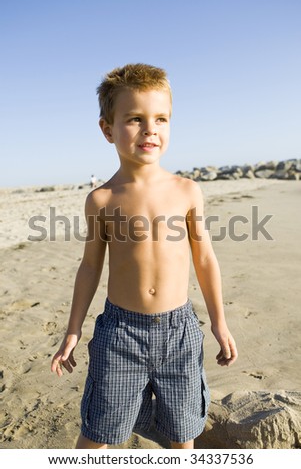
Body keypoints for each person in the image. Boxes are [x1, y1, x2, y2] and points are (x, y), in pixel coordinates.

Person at [51, 63, 238, 450]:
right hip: (121, 332)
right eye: (135, 119)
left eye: (161, 119)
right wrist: (73, 330)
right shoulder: (101, 199)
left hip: (180, 331)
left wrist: (219, 323)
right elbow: (90, 266)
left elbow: (204, 259)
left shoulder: (187, 191)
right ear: (107, 129)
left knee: (181, 434)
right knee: (98, 432)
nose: (150, 128)